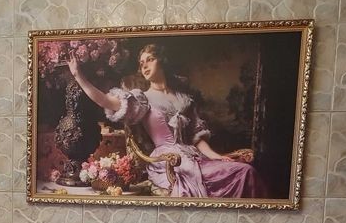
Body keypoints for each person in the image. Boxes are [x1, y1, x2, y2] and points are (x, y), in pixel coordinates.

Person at [67, 44, 261, 198]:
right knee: (201, 177)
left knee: (245, 171)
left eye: (150, 59)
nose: (144, 65)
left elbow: (197, 137)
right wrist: (78, 75)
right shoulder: (142, 99)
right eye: (141, 62)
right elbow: (105, 100)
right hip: (168, 161)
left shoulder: (184, 99)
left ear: (162, 62)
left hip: (194, 157)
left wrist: (217, 157)